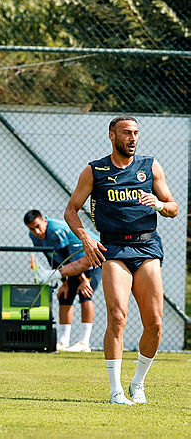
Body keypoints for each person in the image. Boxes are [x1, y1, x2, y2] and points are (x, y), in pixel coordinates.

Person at [64, 116, 177, 405]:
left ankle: (137, 384)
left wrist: (161, 205)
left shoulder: (149, 166)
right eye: (127, 132)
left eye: (136, 133)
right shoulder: (94, 170)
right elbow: (71, 211)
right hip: (113, 249)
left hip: (147, 247)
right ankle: (116, 391)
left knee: (154, 323)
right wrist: (87, 239)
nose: (133, 137)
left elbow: (173, 207)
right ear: (112, 135)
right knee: (117, 316)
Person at [23, 209, 101, 352]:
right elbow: (53, 258)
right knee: (64, 296)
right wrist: (64, 282)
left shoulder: (58, 230)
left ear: (44, 221)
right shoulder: (33, 236)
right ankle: (63, 341)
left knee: (85, 294)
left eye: (38, 226)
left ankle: (84, 343)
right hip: (72, 265)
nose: (37, 232)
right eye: (32, 229)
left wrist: (83, 280)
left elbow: (72, 258)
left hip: (93, 258)